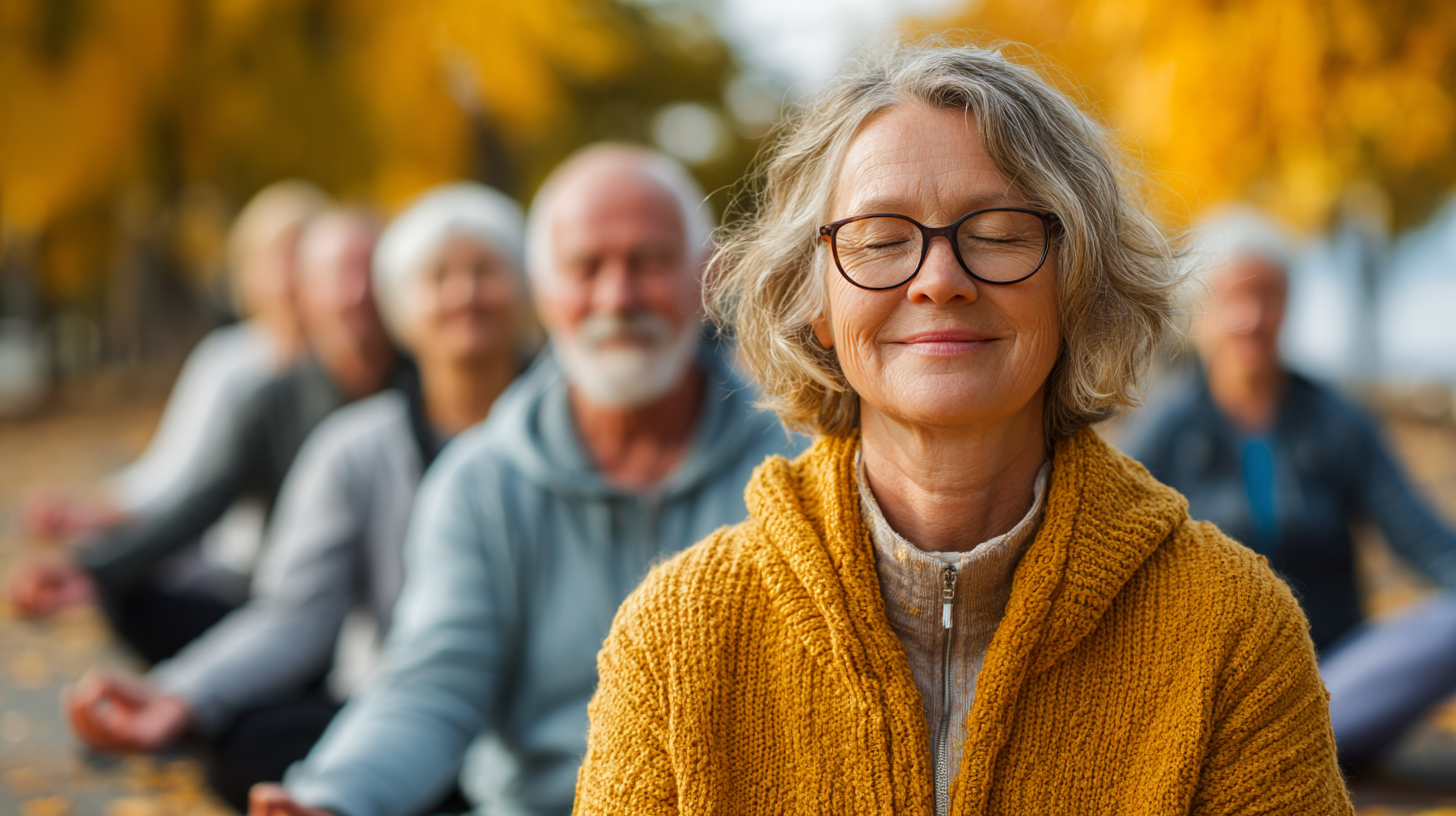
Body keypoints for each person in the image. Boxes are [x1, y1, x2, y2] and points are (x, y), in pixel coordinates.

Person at [573, 44, 1352, 816]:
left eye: (1000, 232)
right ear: (814, 301)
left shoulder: (1234, 630)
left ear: (1076, 277)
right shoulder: (674, 641)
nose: (940, 280)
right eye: (880, 239)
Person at [246, 145, 806, 816]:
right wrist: (333, 797)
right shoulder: (480, 482)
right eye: (585, 267)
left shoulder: (797, 463)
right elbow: (433, 681)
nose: (616, 296)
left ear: (704, 276)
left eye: (648, 263)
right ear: (542, 292)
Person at [61, 183, 532, 811]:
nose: (465, 295)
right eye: (439, 276)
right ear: (401, 305)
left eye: (486, 272)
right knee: (254, 742)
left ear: (529, 289)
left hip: (545, 723)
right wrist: (180, 693)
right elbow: (294, 609)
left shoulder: (595, 437)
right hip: (398, 704)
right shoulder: (355, 446)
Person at [1131, 207, 1456, 768]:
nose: (1252, 316)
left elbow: (1423, 539)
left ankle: (1274, 752)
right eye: (1233, 297)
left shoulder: (1338, 421)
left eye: (1268, 297)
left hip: (1339, 681)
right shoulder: (1167, 430)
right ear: (1200, 313)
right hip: (1213, 689)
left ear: (1288, 307)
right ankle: (1268, 750)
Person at [9, 210, 399, 663]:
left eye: (368, 272)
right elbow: (199, 491)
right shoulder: (267, 394)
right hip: (285, 601)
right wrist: (97, 569)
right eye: (336, 275)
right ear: (306, 289)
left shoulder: (420, 391)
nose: (355, 293)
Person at [22, 180, 329, 540]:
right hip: (232, 558)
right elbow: (170, 477)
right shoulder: (228, 362)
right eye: (275, 258)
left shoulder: (350, 367)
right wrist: (87, 508)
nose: (287, 277)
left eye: (302, 257)